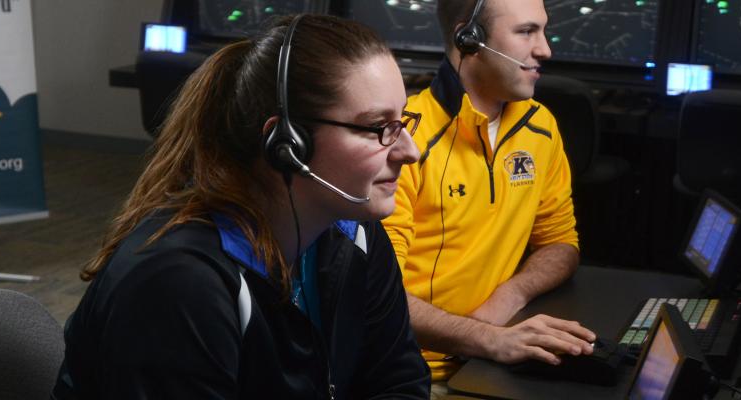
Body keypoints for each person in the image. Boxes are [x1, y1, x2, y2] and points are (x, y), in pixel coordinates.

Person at [53, 14, 430, 399]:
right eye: (378, 127)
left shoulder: (355, 233)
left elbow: (399, 382)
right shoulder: (179, 284)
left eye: (403, 122)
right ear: (287, 145)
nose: (410, 151)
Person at [383, 0, 596, 383]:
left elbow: (560, 242)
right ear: (469, 38)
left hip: (493, 353)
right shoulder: (405, 144)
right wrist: (488, 338)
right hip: (419, 374)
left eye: (543, 31)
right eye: (526, 31)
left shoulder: (541, 126)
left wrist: (511, 296)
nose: (545, 49)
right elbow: (380, 295)